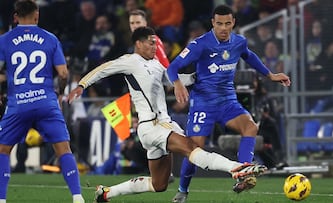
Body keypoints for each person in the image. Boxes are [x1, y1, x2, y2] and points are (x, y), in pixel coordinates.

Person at [68, 26, 267, 203]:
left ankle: (106, 193)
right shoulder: (130, 61)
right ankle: (237, 168)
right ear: (138, 44)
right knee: (191, 147)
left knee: (159, 184)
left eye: (156, 43)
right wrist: (82, 85)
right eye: (151, 43)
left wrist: (200, 76)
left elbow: (176, 80)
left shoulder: (156, 65)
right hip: (152, 125)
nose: (155, 47)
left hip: (160, 125)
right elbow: (104, 69)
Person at [166, 5, 291, 203]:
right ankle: (183, 190)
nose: (223, 28)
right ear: (212, 23)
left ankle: (243, 173)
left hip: (227, 101)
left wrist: (270, 75)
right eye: (219, 24)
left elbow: (249, 56)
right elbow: (172, 68)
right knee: (195, 149)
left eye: (227, 23)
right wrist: (178, 84)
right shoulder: (200, 44)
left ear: (233, 23)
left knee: (250, 127)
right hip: (203, 104)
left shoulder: (239, 42)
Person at [0, 1, 85, 203]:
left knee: (3, 150)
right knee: (63, 149)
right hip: (46, 102)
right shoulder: (50, 38)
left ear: (15, 16)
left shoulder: (4, 40)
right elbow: (63, 73)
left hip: (18, 103)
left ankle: (1, 199)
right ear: (37, 15)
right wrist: (61, 92)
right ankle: (77, 196)